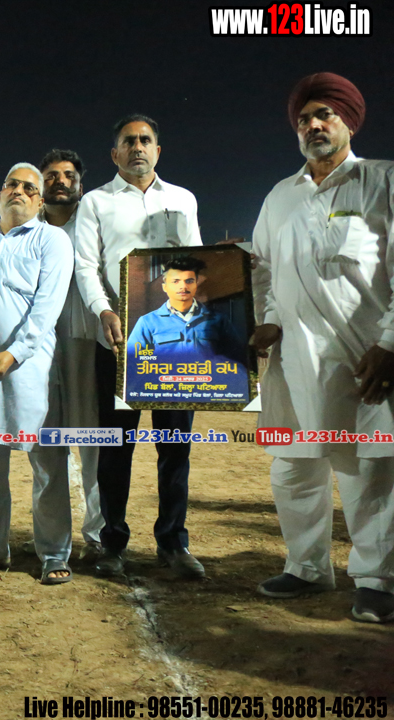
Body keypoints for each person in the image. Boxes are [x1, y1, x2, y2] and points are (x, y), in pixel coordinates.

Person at [251, 72, 394, 623]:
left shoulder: (381, 181)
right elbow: (262, 269)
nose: (313, 125)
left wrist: (390, 343)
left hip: (362, 359)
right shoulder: (280, 196)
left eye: (324, 115)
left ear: (348, 121)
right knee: (292, 470)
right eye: (304, 118)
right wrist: (268, 322)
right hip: (292, 362)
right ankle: (306, 567)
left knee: (367, 472)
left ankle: (377, 581)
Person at [74, 114, 206, 580]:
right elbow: (86, 266)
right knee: (116, 448)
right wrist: (103, 311)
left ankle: (173, 542)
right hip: (116, 342)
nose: (137, 147)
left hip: (175, 344)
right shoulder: (95, 202)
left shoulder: (183, 200)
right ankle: (112, 543)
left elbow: (197, 264)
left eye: (145, 140)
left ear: (158, 149)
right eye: (128, 141)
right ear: (114, 153)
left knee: (175, 446)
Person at [0, 163, 73, 584]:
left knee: (48, 465)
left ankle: (54, 553)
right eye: (11, 184)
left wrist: (16, 352)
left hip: (32, 369)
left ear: (40, 200)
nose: (18, 191)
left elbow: (47, 306)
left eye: (29, 187)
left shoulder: (51, 239)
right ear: (0, 192)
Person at [26, 149, 104, 562]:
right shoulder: (25, 228)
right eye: (51, 175)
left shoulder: (94, 226)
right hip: (36, 349)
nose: (60, 181)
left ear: (80, 185)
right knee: (44, 448)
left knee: (92, 444)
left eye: (68, 175)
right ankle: (52, 544)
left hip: (87, 343)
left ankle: (98, 534)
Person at [126, 255, 245, 362]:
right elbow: (133, 361)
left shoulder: (219, 320)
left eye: (189, 281)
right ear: (165, 287)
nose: (183, 286)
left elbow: (237, 358)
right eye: (175, 281)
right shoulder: (147, 322)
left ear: (195, 285)